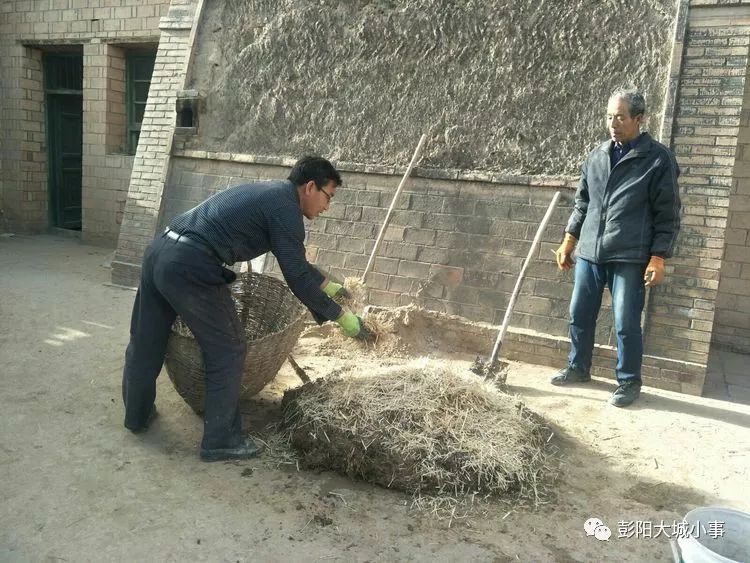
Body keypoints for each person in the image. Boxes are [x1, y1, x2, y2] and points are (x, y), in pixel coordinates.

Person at [122, 156, 370, 460]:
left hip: (161, 251)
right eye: (328, 196)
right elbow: (297, 278)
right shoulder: (286, 210)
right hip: (190, 263)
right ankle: (221, 442)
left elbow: (296, 262)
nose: (327, 206)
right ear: (309, 187)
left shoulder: (273, 195)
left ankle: (137, 415)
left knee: (146, 340)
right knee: (229, 348)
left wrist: (331, 287)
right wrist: (343, 318)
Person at [552, 88, 681, 407]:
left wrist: (658, 256)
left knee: (625, 322)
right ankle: (578, 367)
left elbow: (668, 212)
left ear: (639, 119)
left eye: (621, 117)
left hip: (630, 255)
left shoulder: (657, 159)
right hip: (591, 253)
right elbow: (583, 201)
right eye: (609, 116)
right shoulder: (597, 155)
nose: (613, 122)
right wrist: (570, 239)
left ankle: (628, 382)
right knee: (579, 314)